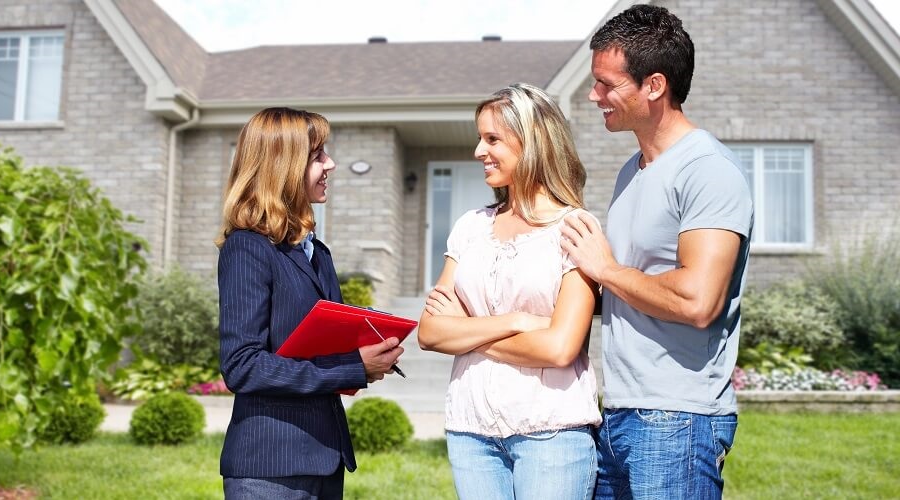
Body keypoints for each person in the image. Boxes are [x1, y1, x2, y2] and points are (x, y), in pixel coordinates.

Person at [559, 5, 755, 499]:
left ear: (654, 85)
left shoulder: (707, 170)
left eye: (606, 84)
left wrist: (603, 267)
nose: (593, 95)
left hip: (677, 417)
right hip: (621, 411)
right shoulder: (633, 171)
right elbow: (632, 286)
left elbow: (697, 300)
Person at [418, 83, 601, 500]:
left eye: (492, 139)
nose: (478, 151)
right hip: (471, 431)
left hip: (551, 431)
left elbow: (559, 348)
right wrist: (516, 322)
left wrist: (466, 331)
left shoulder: (575, 228)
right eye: (480, 138)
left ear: (533, 142)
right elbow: (429, 333)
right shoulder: (471, 227)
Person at [215, 107, 403, 500]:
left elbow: (323, 345)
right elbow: (242, 366)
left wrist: (369, 346)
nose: (331, 164)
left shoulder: (318, 253)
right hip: (269, 471)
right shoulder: (247, 249)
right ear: (283, 166)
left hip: (323, 460)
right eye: (318, 156)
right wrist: (353, 367)